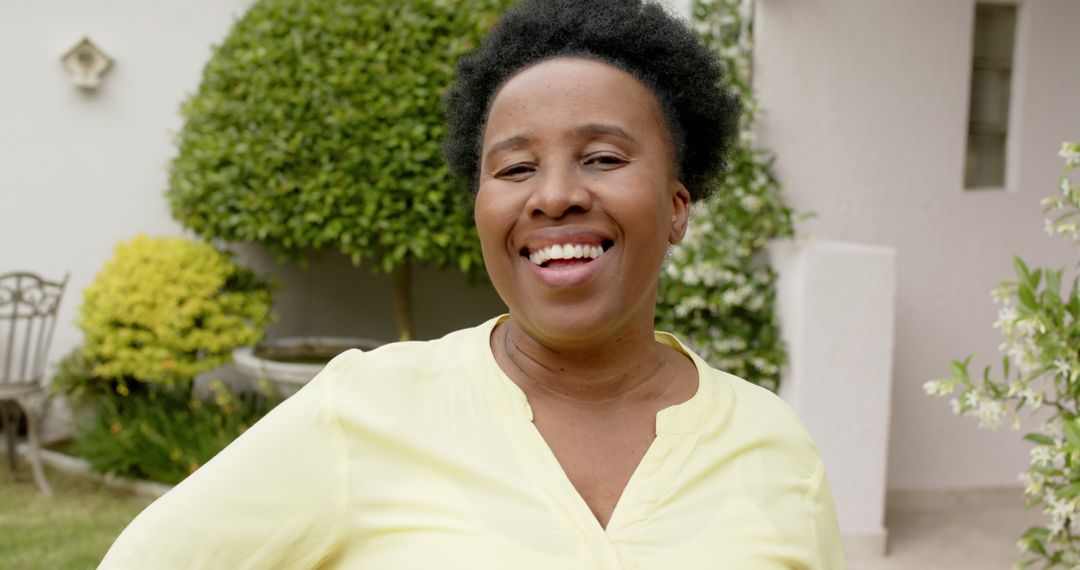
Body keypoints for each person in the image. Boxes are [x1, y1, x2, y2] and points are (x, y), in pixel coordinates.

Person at [101, 0, 844, 568]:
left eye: (604, 158)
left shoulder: (773, 447)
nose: (553, 195)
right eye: (515, 168)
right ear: (483, 210)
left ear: (678, 206)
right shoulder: (361, 410)